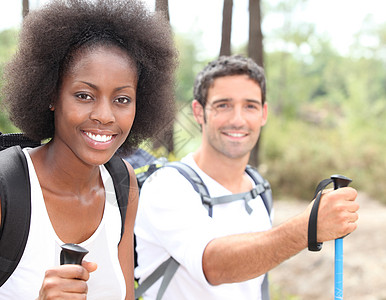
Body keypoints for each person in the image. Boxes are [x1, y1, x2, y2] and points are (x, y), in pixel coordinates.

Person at [0, 0, 176, 299]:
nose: (105, 115)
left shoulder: (121, 182)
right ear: (52, 95)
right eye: (84, 95)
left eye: (122, 99)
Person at [134, 54, 359, 300]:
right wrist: (308, 227)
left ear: (263, 114)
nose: (238, 120)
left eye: (250, 106)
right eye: (223, 105)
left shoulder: (258, 188)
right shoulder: (167, 185)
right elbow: (214, 265)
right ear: (199, 112)